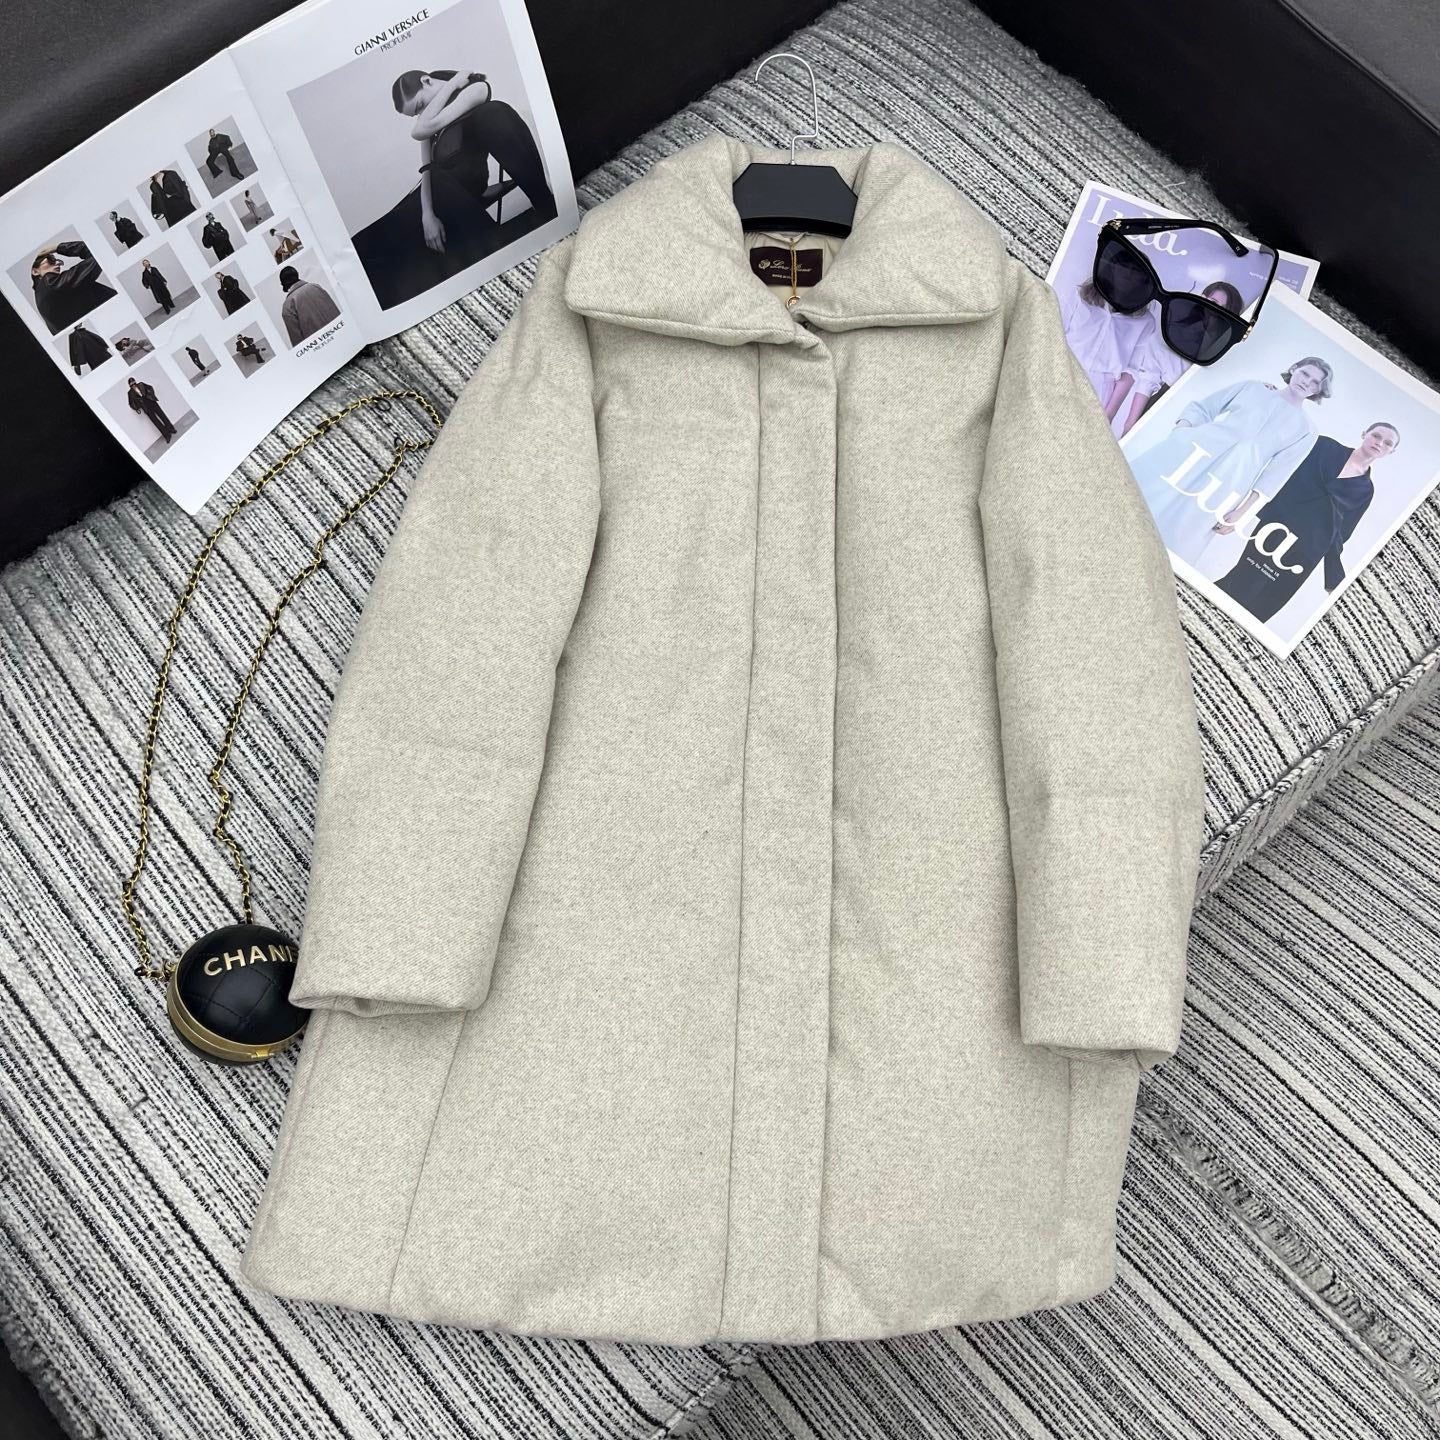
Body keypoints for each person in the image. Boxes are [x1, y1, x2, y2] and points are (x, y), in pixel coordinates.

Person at [1127, 357, 1332, 564]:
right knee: (1143, 498)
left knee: (1183, 534)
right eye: (1305, 373)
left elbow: (1275, 477)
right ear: (1294, 369)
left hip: (1229, 482)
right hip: (1192, 453)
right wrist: (1181, 432)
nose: (1307, 382)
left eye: (1315, 382)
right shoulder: (1253, 388)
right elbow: (1203, 408)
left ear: (1319, 390)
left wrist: (1242, 513)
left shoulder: (1306, 429)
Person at [1211, 423, 1397, 621]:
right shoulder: (1325, 446)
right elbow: (1280, 476)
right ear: (1364, 434)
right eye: (1376, 436)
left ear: (1391, 451)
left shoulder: (1366, 490)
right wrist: (1243, 513)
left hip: (1308, 552)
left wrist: (1334, 578)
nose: (1379, 443)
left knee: (1264, 606)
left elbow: (1341, 533)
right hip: (1276, 528)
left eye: (1387, 443)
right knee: (1242, 585)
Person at [30, 239, 116, 333]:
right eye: (51, 260)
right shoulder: (50, 283)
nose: (58, 263)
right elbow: (98, 253)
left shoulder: (42, 297)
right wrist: (58, 248)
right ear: (35, 271)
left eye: (58, 261)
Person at [278, 264, 340, 344]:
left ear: (283, 283)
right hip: (341, 335)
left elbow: (298, 342)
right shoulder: (316, 287)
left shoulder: (287, 306)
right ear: (296, 275)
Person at [127, 376, 176, 444]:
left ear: (135, 381)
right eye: (131, 384)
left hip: (152, 402)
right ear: (129, 385)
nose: (133, 385)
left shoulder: (141, 384)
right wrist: (137, 406)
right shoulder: (130, 393)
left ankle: (171, 429)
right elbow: (131, 403)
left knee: (162, 416)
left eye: (134, 383)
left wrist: (150, 395)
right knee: (156, 422)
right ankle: (167, 435)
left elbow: (150, 388)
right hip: (146, 407)